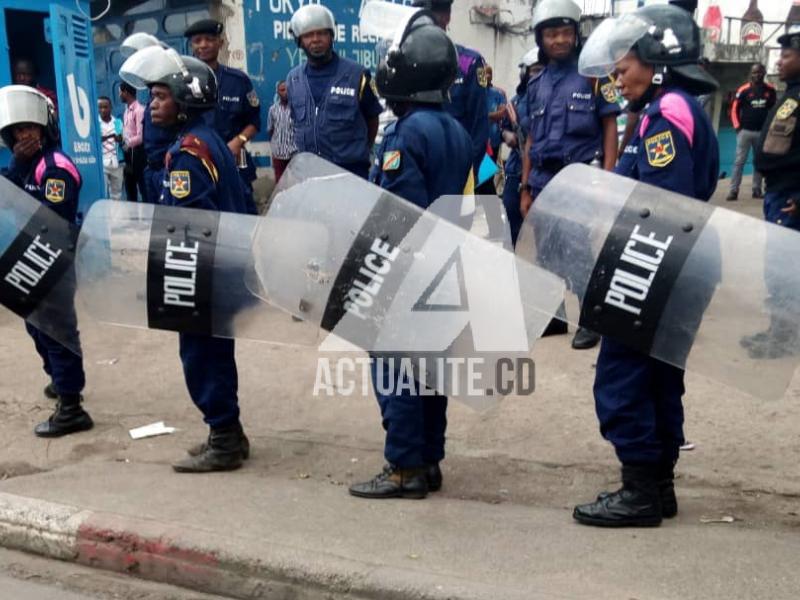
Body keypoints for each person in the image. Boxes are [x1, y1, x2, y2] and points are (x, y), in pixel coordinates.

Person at [571, 4, 720, 527]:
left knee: (624, 376)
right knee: (659, 377)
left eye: (624, 64)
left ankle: (638, 491)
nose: (616, 74)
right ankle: (658, 485)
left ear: (657, 59)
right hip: (679, 268)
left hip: (653, 268)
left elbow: (663, 210)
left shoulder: (664, 116)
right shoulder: (675, 107)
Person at [348, 11, 473, 500]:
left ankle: (404, 468)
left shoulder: (405, 133)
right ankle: (429, 460)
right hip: (446, 266)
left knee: (397, 369)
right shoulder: (457, 130)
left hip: (408, 272)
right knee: (431, 372)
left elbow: (399, 216)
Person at [121, 46, 252, 472]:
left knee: (202, 357)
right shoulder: (204, 140)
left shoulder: (188, 155)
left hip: (202, 276)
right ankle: (228, 432)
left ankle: (225, 440)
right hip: (222, 272)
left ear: (184, 100)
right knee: (216, 355)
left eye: (160, 96)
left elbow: (187, 224)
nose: (151, 104)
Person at [519, 0, 621, 350]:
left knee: (579, 250)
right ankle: (555, 316)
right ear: (541, 38)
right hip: (543, 180)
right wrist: (525, 187)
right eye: (551, 34)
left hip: (581, 179)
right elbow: (530, 139)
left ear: (576, 35)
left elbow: (610, 128)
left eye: (565, 33)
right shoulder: (537, 84)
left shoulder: (596, 76)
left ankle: (592, 319)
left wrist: (609, 181)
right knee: (547, 252)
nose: (559, 40)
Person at [0, 85, 93, 437]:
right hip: (28, 259)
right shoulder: (24, 165)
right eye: (18, 130)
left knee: (57, 331)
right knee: (36, 326)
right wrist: (17, 165)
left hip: (54, 261)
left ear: (46, 128)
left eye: (31, 128)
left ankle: (71, 406)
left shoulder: (55, 168)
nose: (25, 135)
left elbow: (53, 219)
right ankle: (60, 378)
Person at [743, 25, 800, 359]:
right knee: (776, 266)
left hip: (792, 196)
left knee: (785, 268)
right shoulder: (791, 94)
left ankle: (784, 337)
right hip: (777, 192)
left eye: (788, 55)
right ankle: (778, 330)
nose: (780, 61)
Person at [286, 4, 382, 179]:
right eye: (308, 35)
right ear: (299, 41)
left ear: (332, 36)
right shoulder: (293, 79)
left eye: (322, 33)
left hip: (350, 175)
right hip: (310, 175)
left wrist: (360, 151)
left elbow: (372, 119)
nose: (316, 39)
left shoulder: (356, 75)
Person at [185, 19, 260, 211]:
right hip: (197, 162)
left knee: (244, 217)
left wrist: (239, 141)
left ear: (221, 42)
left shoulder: (239, 80)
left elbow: (254, 121)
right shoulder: (182, 83)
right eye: (197, 40)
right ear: (191, 46)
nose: (203, 45)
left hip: (236, 160)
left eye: (209, 39)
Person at [412, 0, 489, 179]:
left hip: (456, 171)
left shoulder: (470, 63)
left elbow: (479, 128)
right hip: (417, 167)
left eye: (431, 16)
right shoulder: (408, 61)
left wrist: (468, 176)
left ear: (447, 17)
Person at [501, 48, 544, 245]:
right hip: (516, 170)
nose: (538, 74)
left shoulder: (551, 99)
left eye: (542, 69)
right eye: (534, 70)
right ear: (524, 73)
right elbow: (500, 130)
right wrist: (506, 134)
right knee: (512, 224)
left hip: (542, 174)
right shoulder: (515, 103)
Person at [726, 64, 776, 201]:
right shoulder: (743, 90)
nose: (757, 75)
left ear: (764, 73)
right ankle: (733, 191)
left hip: (762, 133)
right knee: (739, 162)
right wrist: (737, 127)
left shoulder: (770, 90)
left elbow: (774, 112)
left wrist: (769, 130)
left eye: (760, 72)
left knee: (758, 162)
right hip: (745, 132)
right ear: (751, 74)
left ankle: (756, 190)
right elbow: (734, 109)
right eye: (754, 72)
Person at [120, 82, 146, 202]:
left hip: (138, 154)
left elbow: (141, 137)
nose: (119, 95)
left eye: (120, 92)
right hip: (128, 155)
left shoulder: (139, 110)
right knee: (130, 189)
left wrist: (127, 143)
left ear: (126, 92)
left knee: (143, 188)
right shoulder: (126, 112)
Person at [267, 80, 297, 184]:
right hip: (278, 152)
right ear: (278, 92)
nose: (285, 92)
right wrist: (274, 145)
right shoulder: (273, 110)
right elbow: (270, 129)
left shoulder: (296, 108)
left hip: (293, 152)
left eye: (287, 89)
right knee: (279, 182)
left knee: (294, 181)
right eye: (282, 90)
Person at [98, 96, 124, 201]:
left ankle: (116, 215)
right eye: (100, 107)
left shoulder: (117, 122)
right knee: (103, 193)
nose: (103, 110)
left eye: (105, 107)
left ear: (110, 107)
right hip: (102, 163)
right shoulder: (95, 123)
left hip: (116, 161)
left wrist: (120, 139)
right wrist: (110, 137)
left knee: (117, 193)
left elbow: (122, 139)